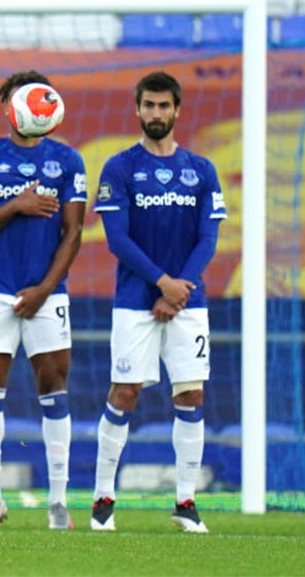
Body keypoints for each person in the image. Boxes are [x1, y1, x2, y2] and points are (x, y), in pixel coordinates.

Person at [91, 71, 224, 533]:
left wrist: (180, 287)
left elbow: (209, 238)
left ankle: (185, 502)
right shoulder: (119, 168)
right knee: (124, 393)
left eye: (164, 106)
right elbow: (117, 239)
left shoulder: (202, 170)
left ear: (177, 110)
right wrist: (163, 283)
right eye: (148, 105)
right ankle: (103, 499)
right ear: (137, 109)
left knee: (190, 393)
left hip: (188, 302)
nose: (156, 113)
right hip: (135, 301)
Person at [0, 71, 87, 529]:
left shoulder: (69, 160)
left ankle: (58, 503)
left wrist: (44, 290)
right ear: (8, 106)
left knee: (54, 390)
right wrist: (16, 205)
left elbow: (74, 233)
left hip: (47, 295)